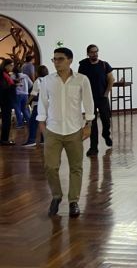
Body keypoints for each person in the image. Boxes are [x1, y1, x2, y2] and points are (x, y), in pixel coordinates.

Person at [37, 47, 94, 217]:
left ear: (70, 60)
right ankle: (56, 196)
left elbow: (89, 103)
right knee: (50, 167)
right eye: (54, 59)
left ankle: (73, 201)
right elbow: (42, 103)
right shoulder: (47, 81)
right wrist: (42, 127)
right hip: (52, 130)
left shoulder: (81, 80)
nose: (56, 62)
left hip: (74, 130)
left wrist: (88, 124)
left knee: (76, 167)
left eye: (60, 59)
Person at [78, 44, 114, 157]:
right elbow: (80, 80)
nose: (95, 54)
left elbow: (111, 79)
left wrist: (106, 93)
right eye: (92, 52)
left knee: (106, 120)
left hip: (102, 97)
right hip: (90, 99)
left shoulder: (104, 65)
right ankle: (93, 147)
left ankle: (106, 134)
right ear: (88, 53)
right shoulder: (83, 65)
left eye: (96, 52)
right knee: (92, 123)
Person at [23, 65, 49, 147]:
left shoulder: (38, 81)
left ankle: (31, 140)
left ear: (37, 73)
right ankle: (44, 140)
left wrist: (27, 103)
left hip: (38, 105)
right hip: (47, 104)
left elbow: (33, 94)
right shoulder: (49, 80)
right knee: (44, 122)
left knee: (33, 123)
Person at [0, 59, 16, 146]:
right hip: (5, 100)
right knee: (6, 120)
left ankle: (4, 139)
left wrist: (14, 84)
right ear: (6, 65)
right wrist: (13, 86)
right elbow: (4, 88)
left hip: (5, 100)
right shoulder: (2, 74)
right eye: (11, 65)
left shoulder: (5, 74)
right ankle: (4, 140)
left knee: (6, 120)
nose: (12, 67)